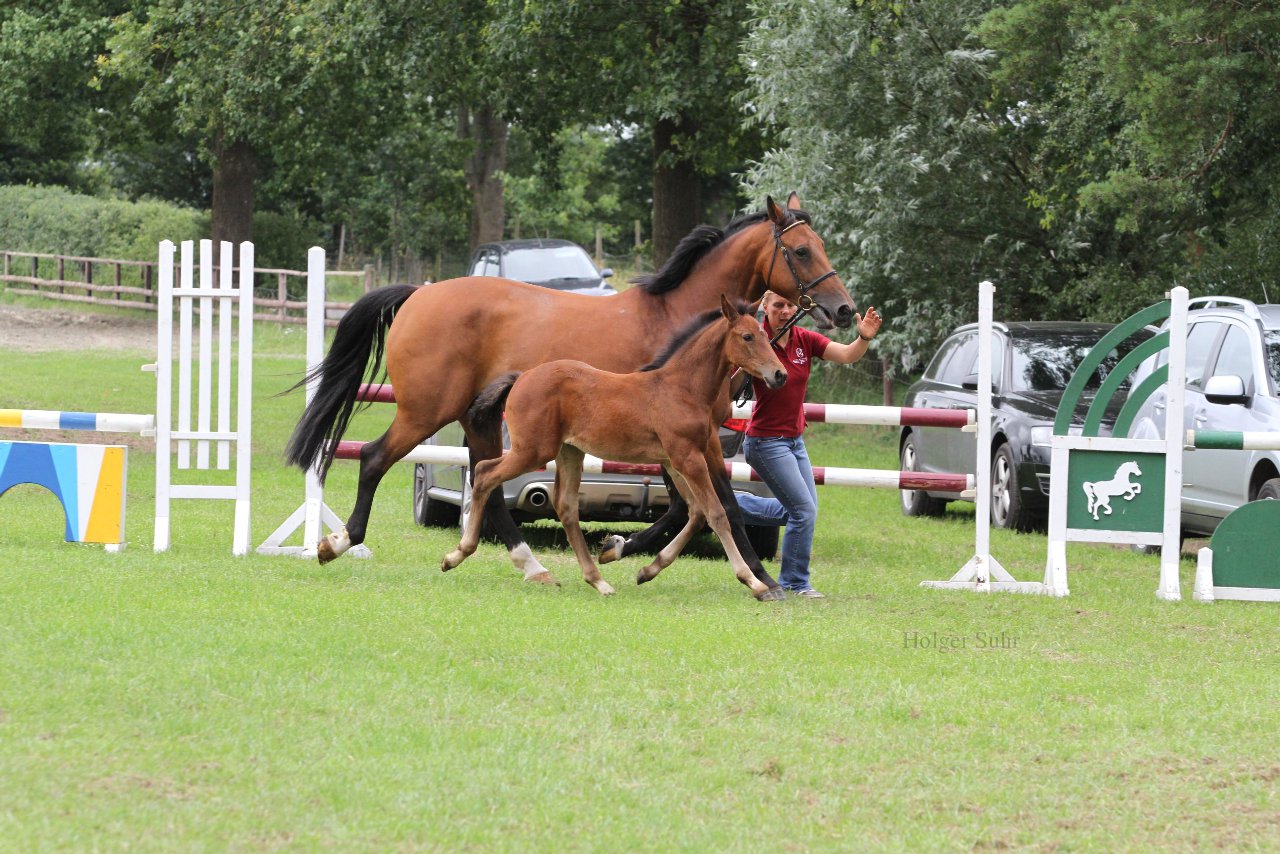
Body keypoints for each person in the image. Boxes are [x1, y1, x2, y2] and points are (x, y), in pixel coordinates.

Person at [735, 291, 882, 598]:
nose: (786, 311)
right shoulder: (757, 342)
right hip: (765, 442)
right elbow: (731, 378)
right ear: (765, 307)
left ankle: (730, 503)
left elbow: (845, 354)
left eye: (789, 305)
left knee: (802, 511)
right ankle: (794, 582)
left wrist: (863, 338)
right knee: (803, 512)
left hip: (794, 442)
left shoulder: (805, 339)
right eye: (778, 305)